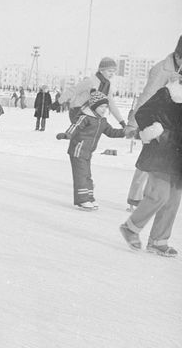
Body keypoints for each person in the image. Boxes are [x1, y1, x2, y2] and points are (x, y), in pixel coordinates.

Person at [118, 71, 182, 256]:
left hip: (178, 156)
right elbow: (143, 113)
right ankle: (131, 227)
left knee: (173, 199)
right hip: (161, 152)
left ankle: (158, 241)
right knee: (159, 195)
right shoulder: (170, 92)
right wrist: (156, 131)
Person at [124, 35, 182, 210]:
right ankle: (135, 197)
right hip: (155, 124)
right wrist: (133, 123)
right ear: (178, 56)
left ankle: (155, 198)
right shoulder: (161, 70)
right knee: (149, 159)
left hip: (173, 126)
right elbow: (147, 96)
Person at [55, 90, 125, 210]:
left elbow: (111, 132)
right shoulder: (85, 117)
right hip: (78, 150)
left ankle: (89, 198)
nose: (104, 109)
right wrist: (67, 135)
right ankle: (82, 200)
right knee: (81, 175)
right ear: (94, 106)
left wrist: (125, 132)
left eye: (106, 107)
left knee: (87, 175)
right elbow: (75, 126)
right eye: (101, 106)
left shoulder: (102, 120)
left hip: (88, 152)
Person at [68, 56, 127, 127]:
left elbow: (111, 105)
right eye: (110, 71)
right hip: (78, 112)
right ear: (101, 70)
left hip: (90, 113)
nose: (112, 74)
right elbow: (73, 91)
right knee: (88, 133)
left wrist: (121, 122)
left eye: (114, 71)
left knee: (95, 132)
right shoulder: (92, 81)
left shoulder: (107, 85)